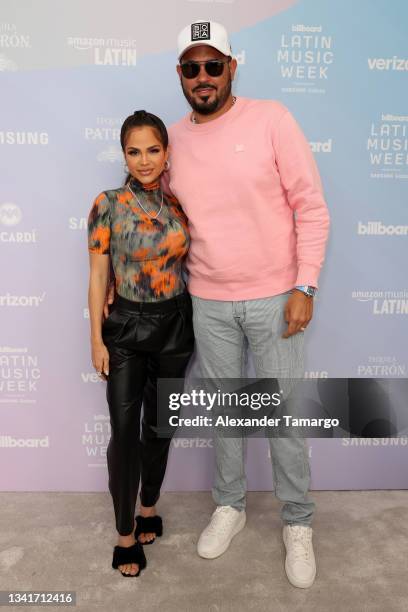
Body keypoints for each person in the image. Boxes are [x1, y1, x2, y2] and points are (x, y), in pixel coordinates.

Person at [165, 20, 330, 588]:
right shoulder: (172, 139)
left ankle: (297, 521)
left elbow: (311, 206)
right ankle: (230, 506)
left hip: (275, 298)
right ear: (181, 76)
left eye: (214, 65)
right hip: (207, 301)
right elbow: (164, 221)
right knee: (227, 413)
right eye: (192, 68)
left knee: (281, 414)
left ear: (233, 66)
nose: (204, 77)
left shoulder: (271, 119)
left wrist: (304, 286)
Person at [87, 110, 194, 577]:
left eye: (153, 150)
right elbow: (96, 278)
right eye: (135, 151)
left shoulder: (178, 205)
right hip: (126, 329)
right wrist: (96, 338)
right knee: (125, 434)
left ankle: (149, 505)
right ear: (124, 154)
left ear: (167, 154)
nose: (144, 160)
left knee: (161, 426)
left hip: (175, 326)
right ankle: (125, 532)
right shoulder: (107, 204)